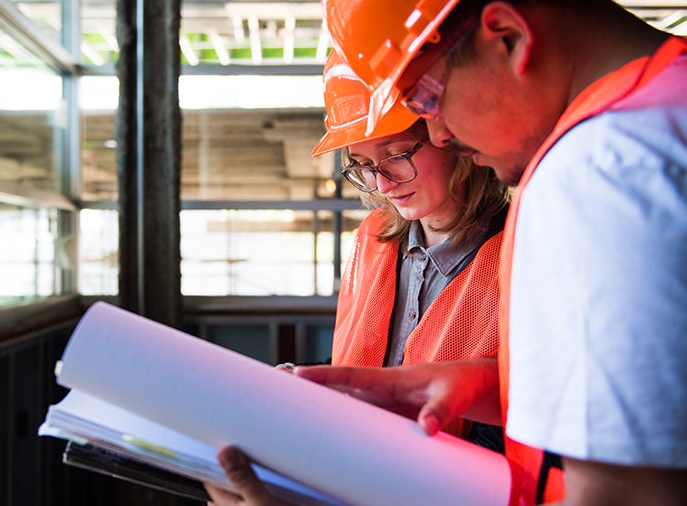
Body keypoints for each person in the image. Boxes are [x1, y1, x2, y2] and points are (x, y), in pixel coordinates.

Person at [212, 0, 687, 504]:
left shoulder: (601, 166)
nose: (441, 133)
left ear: (507, 36)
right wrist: (494, 387)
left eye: (427, 100)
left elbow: (635, 494)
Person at [205, 49, 510, 505]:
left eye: (397, 153)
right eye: (363, 165)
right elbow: (361, 366)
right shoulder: (375, 239)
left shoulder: (515, 253)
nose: (383, 183)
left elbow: (512, 442)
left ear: (449, 132)